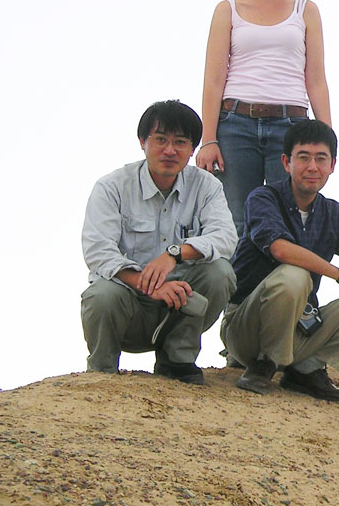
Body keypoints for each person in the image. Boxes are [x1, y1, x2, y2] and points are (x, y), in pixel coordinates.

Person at [222, 120, 339, 402]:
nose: (312, 167)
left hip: (299, 328)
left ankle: (305, 370)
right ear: (286, 162)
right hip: (245, 328)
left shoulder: (333, 214)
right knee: (295, 275)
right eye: (303, 157)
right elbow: (281, 250)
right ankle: (265, 362)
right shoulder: (263, 198)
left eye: (321, 159)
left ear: (332, 165)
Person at [81, 101, 238, 384]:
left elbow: (225, 238)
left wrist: (174, 254)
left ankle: (177, 361)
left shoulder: (207, 186)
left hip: (181, 303)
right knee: (100, 294)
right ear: (142, 142)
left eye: (180, 142)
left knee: (220, 272)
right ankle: (102, 372)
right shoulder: (111, 187)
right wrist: (148, 284)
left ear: (192, 149)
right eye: (160, 139)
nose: (170, 150)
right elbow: (98, 251)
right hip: (128, 304)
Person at [197, 0, 332, 235]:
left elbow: (316, 78)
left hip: (290, 124)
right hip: (236, 124)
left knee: (289, 219)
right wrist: (209, 139)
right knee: (236, 220)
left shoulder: (305, 10)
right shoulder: (227, 9)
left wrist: (325, 136)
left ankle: (290, 285)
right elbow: (214, 79)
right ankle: (239, 285)